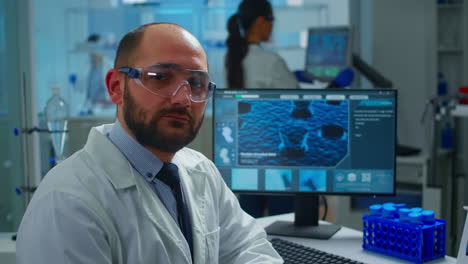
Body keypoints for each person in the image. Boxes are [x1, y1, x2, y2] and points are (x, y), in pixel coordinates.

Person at [16, 23, 283, 264]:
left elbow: (249, 249)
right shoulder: (67, 202)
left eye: (196, 83)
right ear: (116, 87)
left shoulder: (201, 171)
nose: (183, 98)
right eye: (160, 77)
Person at [224, 0, 296, 217]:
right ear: (262, 22)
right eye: (271, 21)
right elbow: (301, 104)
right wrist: (336, 86)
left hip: (247, 152)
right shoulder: (271, 61)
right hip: (276, 156)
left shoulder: (233, 58)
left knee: (249, 223)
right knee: (283, 223)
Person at [225, 0, 298, 89]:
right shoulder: (271, 60)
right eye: (271, 19)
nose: (272, 25)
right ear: (260, 22)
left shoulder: (230, 57)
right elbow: (299, 99)